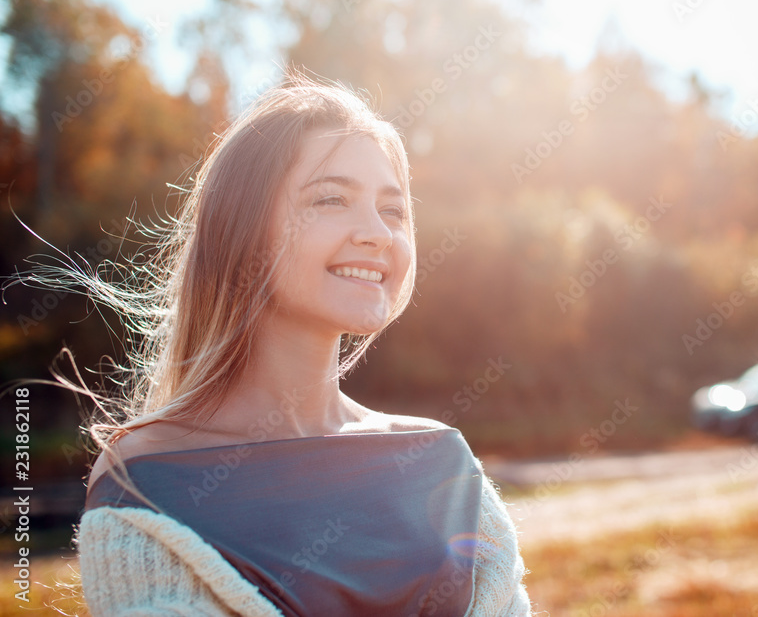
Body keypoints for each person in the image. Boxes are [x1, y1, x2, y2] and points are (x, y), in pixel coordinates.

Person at [47, 72, 534, 615]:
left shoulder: (443, 462)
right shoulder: (147, 480)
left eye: (393, 210)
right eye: (331, 200)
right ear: (242, 229)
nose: (377, 232)